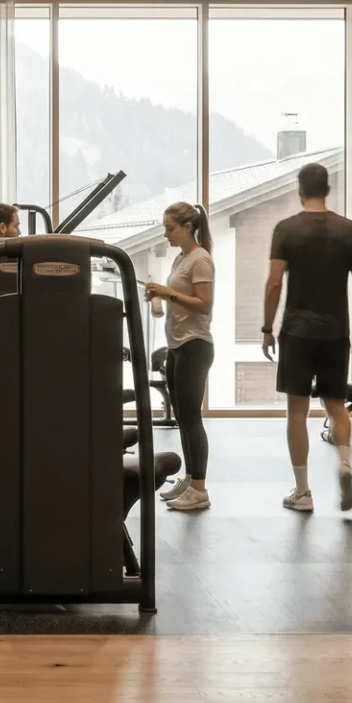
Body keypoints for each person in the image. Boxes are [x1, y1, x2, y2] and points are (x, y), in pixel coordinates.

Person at [262, 163, 352, 513]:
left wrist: (267, 328)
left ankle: (303, 492)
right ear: (327, 190)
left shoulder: (286, 229)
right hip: (335, 332)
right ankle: (345, 464)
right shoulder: (350, 230)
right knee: (336, 406)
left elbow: (274, 282)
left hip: (297, 331)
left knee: (297, 411)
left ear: (300, 190)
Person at [143, 203, 216, 511]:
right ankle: (189, 478)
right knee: (183, 419)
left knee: (192, 418)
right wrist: (159, 295)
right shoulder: (181, 258)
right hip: (177, 345)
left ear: (188, 227)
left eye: (170, 228)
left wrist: (167, 293)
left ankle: (200, 489)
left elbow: (204, 304)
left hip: (195, 346)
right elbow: (179, 297)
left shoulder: (201, 259)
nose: (166, 234)